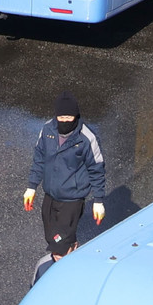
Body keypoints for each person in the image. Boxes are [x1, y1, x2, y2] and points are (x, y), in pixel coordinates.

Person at [23, 92, 106, 254]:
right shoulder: (47, 129)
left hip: (72, 199)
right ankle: (72, 249)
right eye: (62, 117)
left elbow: (97, 169)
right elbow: (39, 159)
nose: (65, 121)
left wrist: (98, 200)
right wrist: (31, 187)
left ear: (76, 115)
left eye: (69, 117)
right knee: (51, 238)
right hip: (51, 195)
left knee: (59, 245)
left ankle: (65, 265)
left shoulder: (87, 138)